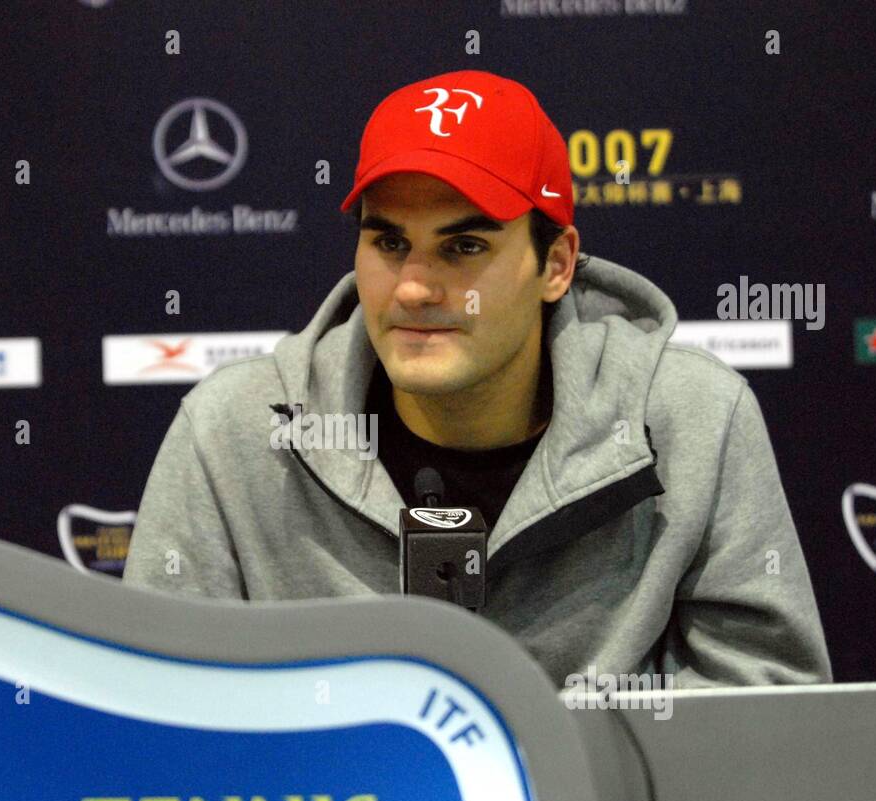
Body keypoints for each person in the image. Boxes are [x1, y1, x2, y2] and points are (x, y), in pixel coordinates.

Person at [123, 69, 832, 688]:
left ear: (556, 264)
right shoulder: (234, 433)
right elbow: (165, 721)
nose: (413, 289)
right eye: (389, 241)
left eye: (464, 246)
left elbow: (765, 713)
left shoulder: (691, 418)